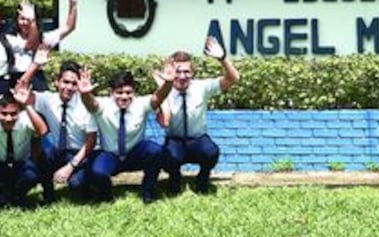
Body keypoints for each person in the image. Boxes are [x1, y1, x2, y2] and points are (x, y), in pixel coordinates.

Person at [159, 36, 240, 193]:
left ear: (193, 73)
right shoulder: (164, 91)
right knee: (167, 157)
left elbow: (233, 78)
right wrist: (163, 90)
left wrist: (222, 59)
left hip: (198, 139)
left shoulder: (201, 87)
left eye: (187, 71)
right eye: (178, 71)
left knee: (211, 152)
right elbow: (164, 122)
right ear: (170, 72)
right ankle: (175, 179)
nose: (182, 76)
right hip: (175, 140)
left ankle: (202, 178)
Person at [80, 67, 173, 203]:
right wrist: (84, 94)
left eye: (128, 92)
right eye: (119, 92)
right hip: (111, 155)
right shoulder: (103, 105)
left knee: (156, 151)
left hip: (134, 155)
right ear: (112, 93)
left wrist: (168, 83)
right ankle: (106, 197)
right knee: (97, 171)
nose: (124, 97)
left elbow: (158, 97)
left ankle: (148, 192)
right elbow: (91, 104)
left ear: (134, 93)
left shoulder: (141, 104)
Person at [22, 49, 97, 202]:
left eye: (74, 83)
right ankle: (48, 193)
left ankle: (89, 187)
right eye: (65, 82)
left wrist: (70, 166)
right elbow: (21, 90)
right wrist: (35, 65)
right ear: (57, 81)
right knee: (42, 157)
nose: (69, 87)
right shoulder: (47, 100)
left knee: (76, 184)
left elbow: (90, 142)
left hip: (81, 153)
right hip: (58, 151)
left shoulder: (86, 105)